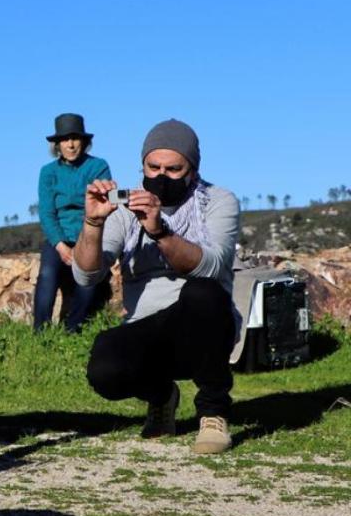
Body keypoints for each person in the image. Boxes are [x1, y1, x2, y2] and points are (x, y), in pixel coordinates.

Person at [72, 119, 240, 454]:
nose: (161, 175)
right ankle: (162, 396)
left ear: (193, 168)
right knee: (105, 367)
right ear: (143, 165)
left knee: (202, 290)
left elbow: (212, 265)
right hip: (147, 326)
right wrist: (92, 222)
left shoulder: (219, 202)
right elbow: (86, 276)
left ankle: (213, 411)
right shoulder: (125, 208)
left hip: (203, 323)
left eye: (173, 168)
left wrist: (160, 232)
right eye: (153, 166)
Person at [34, 113, 112, 333]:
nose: (70, 144)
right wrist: (60, 245)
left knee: (87, 279)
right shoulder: (47, 172)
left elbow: (103, 201)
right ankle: (40, 331)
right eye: (65, 139)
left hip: (89, 234)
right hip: (58, 236)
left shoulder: (98, 166)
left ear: (84, 142)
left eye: (75, 138)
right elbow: (47, 212)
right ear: (57, 144)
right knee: (47, 274)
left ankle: (73, 328)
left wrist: (85, 241)